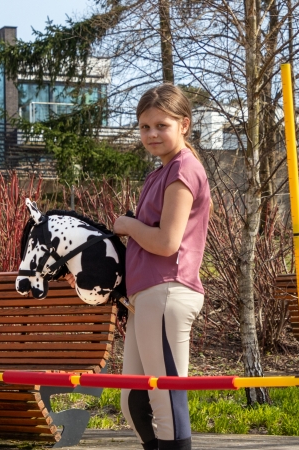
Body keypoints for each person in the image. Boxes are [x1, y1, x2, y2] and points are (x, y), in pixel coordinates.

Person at [112, 84, 211, 450]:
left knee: (166, 401)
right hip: (145, 297)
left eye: (161, 125)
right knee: (132, 400)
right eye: (144, 127)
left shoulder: (184, 169)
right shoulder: (159, 173)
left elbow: (167, 243)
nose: (152, 134)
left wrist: (127, 224)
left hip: (168, 291)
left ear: (183, 124)